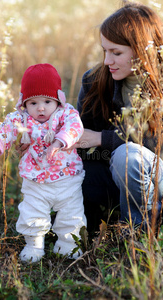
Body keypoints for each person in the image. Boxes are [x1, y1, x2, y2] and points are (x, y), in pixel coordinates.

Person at [0, 63, 87, 262]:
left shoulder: (66, 114)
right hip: (35, 179)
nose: (41, 108)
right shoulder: (21, 118)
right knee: (32, 212)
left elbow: (75, 127)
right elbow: (5, 131)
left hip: (67, 177)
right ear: (24, 103)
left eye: (47, 101)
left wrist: (59, 141)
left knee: (72, 213)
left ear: (58, 100)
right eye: (33, 103)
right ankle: (34, 244)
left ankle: (69, 244)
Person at [74, 1, 163, 234]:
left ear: (144, 49)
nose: (107, 61)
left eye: (116, 53)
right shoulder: (93, 81)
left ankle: (140, 231)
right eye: (105, 51)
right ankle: (81, 227)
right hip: (117, 178)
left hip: (156, 177)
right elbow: (80, 142)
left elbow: (154, 148)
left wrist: (103, 139)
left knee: (128, 157)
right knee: (70, 169)